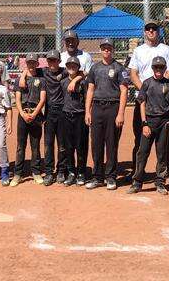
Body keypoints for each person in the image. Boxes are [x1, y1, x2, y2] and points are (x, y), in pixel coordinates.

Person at [128, 21, 169, 181]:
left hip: (163, 101)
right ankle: (137, 174)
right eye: (148, 29)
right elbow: (133, 73)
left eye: (154, 29)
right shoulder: (138, 50)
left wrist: (157, 88)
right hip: (143, 100)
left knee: (167, 140)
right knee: (141, 137)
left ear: (158, 32)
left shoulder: (166, 49)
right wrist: (147, 89)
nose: (151, 31)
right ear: (144, 32)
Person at [127, 56, 169, 195]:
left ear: (165, 69)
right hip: (150, 122)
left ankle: (160, 181)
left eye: (161, 67)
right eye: (156, 67)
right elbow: (142, 103)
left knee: (162, 152)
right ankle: (137, 181)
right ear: (152, 69)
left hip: (164, 122)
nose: (158, 70)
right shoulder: (147, 83)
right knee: (142, 152)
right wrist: (144, 123)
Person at [85, 38, 129, 191]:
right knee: (96, 144)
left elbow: (124, 90)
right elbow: (90, 90)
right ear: (100, 50)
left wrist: (121, 113)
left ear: (113, 50)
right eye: (104, 48)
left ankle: (111, 177)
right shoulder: (94, 68)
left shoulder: (119, 68)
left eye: (109, 48)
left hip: (113, 107)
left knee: (111, 144)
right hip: (97, 108)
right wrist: (87, 111)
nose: (106, 50)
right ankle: (97, 176)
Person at [12, 53, 46, 186]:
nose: (31, 65)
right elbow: (17, 99)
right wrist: (23, 114)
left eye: (34, 63)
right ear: (26, 64)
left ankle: (36, 172)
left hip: (35, 114)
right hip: (23, 113)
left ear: (37, 64)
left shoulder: (41, 79)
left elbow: (43, 99)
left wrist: (35, 113)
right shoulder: (20, 80)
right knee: (21, 146)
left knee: (35, 145)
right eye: (29, 63)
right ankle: (18, 174)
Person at [41, 50, 68, 186]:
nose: (52, 63)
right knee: (48, 144)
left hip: (62, 112)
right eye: (50, 60)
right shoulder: (44, 72)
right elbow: (29, 70)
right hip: (50, 113)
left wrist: (77, 78)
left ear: (59, 61)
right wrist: (22, 76)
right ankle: (49, 172)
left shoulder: (65, 71)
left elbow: (81, 73)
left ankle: (61, 170)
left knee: (62, 144)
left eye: (54, 60)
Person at [60, 56, 87, 187]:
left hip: (79, 116)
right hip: (66, 115)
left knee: (80, 146)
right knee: (68, 146)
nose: (72, 67)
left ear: (78, 68)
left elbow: (87, 99)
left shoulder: (83, 83)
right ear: (66, 67)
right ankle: (71, 172)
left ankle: (81, 172)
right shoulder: (63, 82)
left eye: (74, 65)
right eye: (69, 65)